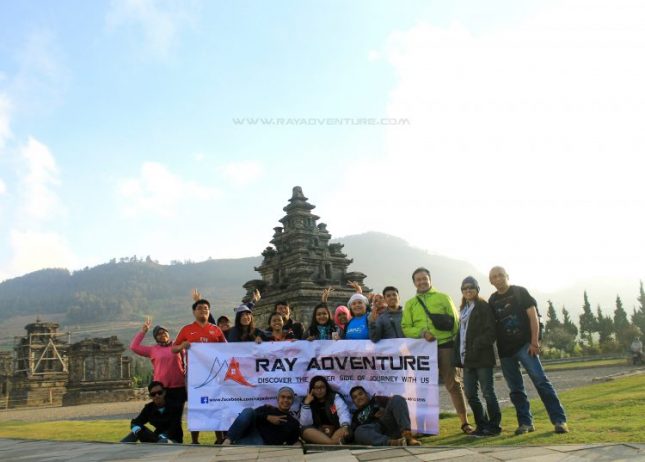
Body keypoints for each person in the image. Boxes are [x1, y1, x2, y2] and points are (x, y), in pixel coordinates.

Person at [488, 266, 568, 434]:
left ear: (507, 276)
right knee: (516, 389)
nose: (498, 279)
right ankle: (525, 423)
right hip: (505, 351)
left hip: (525, 346)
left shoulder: (520, 292)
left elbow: (533, 317)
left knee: (541, 382)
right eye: (494, 277)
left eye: (501, 275)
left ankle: (559, 420)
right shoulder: (492, 300)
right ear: (491, 281)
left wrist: (534, 342)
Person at [401, 267, 473, 434]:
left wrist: (456, 346)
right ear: (414, 283)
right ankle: (421, 426)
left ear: (430, 279)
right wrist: (422, 333)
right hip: (423, 349)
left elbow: (456, 322)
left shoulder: (443, 297)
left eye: (424, 278)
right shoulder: (410, 304)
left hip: (445, 346)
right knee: (422, 387)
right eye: (418, 279)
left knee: (453, 384)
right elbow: (406, 327)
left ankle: (464, 422)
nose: (422, 281)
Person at [172, 298, 227, 444]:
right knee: (196, 405)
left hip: (213, 373)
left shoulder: (216, 329)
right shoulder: (186, 329)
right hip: (195, 374)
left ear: (209, 311)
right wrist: (183, 345)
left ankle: (219, 438)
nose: (203, 311)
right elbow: (173, 348)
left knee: (216, 403)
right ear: (194, 311)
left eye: (206, 308)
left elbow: (227, 349)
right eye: (200, 308)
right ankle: (195, 440)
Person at [452, 276, 502, 437]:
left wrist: (476, 344)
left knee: (488, 392)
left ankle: (494, 426)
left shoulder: (483, 306)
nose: (468, 290)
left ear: (477, 289)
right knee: (471, 394)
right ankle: (482, 425)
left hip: (482, 357)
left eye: (471, 288)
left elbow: (491, 332)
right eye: (464, 288)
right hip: (467, 359)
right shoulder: (464, 309)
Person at [129, 318, 186, 442]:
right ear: (155, 337)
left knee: (177, 418)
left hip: (178, 388)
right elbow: (133, 347)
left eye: (164, 332)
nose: (162, 334)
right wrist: (143, 332)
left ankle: (177, 441)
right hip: (161, 391)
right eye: (159, 333)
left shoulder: (178, 345)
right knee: (164, 417)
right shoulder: (152, 350)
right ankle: (162, 439)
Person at [223, 387, 301, 445]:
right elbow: (250, 416)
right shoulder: (267, 408)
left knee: (257, 443)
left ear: (292, 401)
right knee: (248, 411)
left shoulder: (294, 423)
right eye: (283, 397)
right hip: (250, 433)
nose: (286, 400)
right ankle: (227, 441)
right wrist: (267, 417)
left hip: (262, 444)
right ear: (278, 399)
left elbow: (293, 441)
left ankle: (235, 443)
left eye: (289, 398)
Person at [349, 386, 421, 446]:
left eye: (360, 394)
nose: (358, 397)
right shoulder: (355, 417)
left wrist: (383, 410)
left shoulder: (376, 399)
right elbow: (353, 435)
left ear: (366, 394)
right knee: (358, 431)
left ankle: (408, 436)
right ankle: (394, 443)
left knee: (397, 398)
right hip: (374, 434)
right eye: (355, 397)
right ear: (353, 402)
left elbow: (393, 403)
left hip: (387, 425)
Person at [299, 376, 351, 444]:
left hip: (336, 430)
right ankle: (333, 443)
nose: (319, 390)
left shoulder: (334, 397)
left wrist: (345, 426)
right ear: (312, 389)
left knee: (346, 428)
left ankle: (329, 444)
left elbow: (343, 413)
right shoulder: (307, 400)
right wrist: (306, 404)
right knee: (305, 431)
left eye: (322, 387)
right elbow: (305, 423)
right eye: (316, 388)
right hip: (318, 434)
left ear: (326, 388)